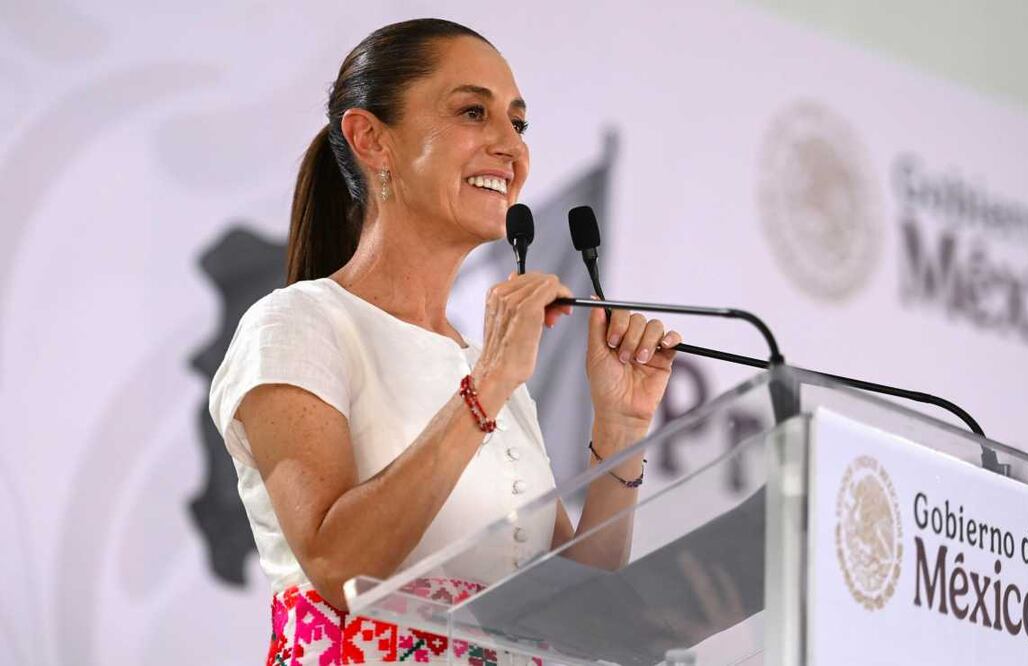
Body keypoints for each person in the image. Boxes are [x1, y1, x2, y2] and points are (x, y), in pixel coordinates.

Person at [209, 18, 681, 665]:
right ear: (370, 138)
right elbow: (337, 565)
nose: (509, 146)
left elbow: (579, 607)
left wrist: (622, 426)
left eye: (518, 123)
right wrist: (488, 382)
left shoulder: (480, 368)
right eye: (472, 112)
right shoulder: (299, 323)